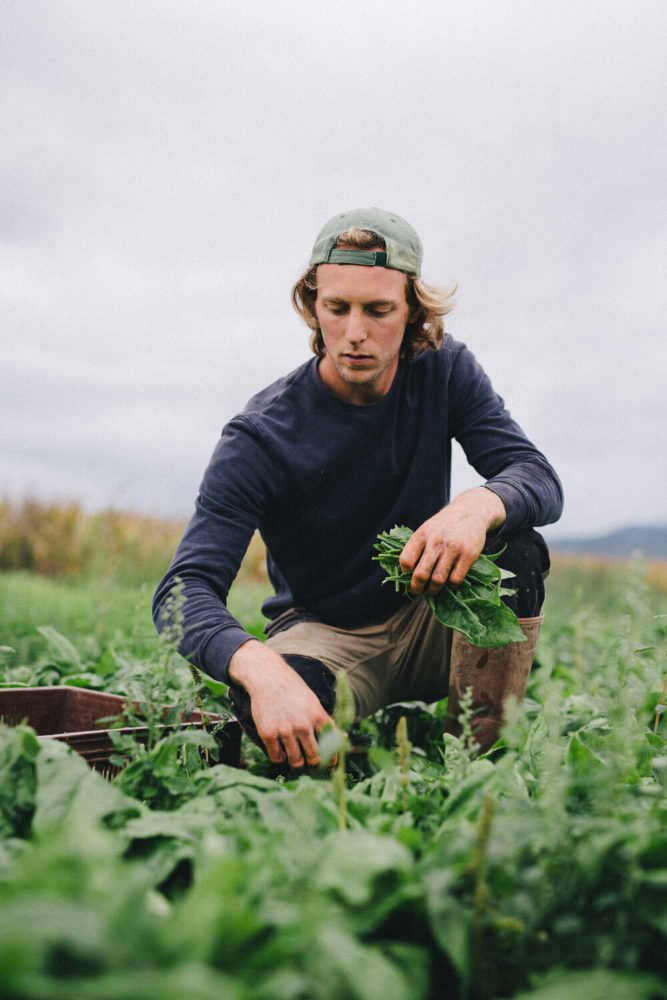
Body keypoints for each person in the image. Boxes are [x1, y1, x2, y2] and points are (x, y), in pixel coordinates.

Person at [153, 207, 563, 768]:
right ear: (312, 305)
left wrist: (478, 503)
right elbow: (184, 589)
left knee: (514, 545)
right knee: (265, 713)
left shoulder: (444, 370)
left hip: (432, 610)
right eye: (336, 307)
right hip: (326, 635)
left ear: (413, 309)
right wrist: (257, 664)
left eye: (379, 309)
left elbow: (534, 475)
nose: (355, 333)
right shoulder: (261, 435)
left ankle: (480, 765)